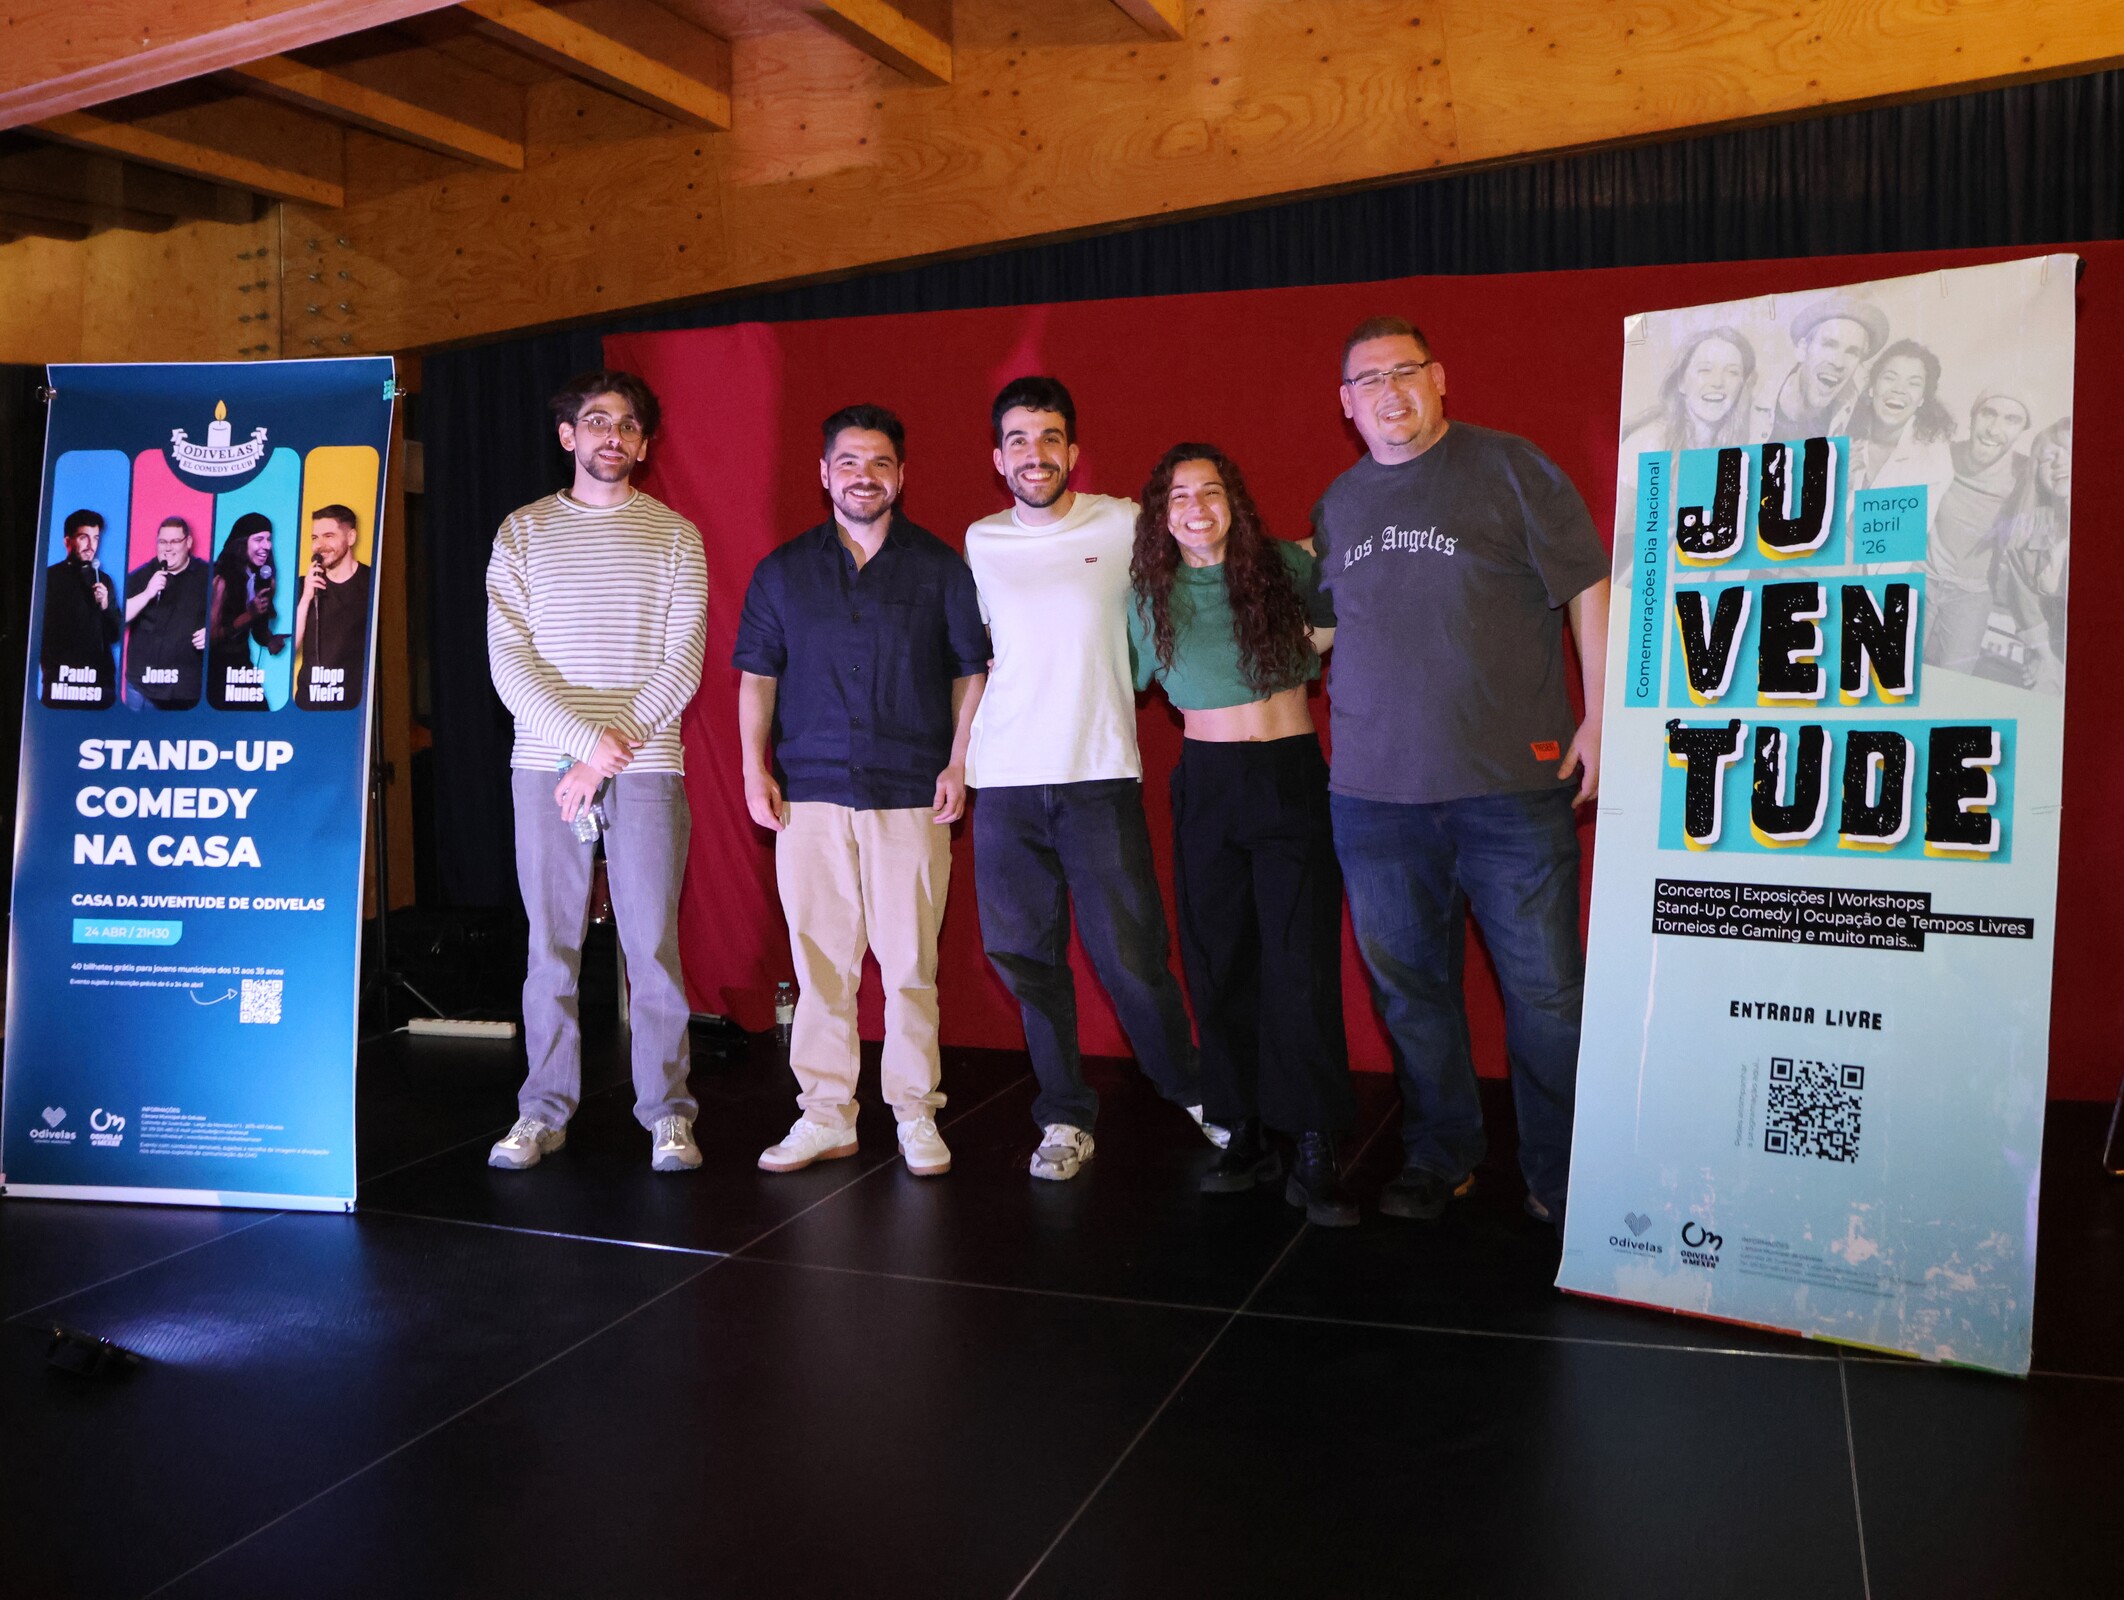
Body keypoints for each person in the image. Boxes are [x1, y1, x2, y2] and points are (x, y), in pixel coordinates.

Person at [1314, 316, 1610, 1233]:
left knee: (1548, 994)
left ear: (1439, 377)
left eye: (1404, 371)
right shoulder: (1338, 504)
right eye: (1369, 380)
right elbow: (1324, 631)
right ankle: (1442, 1156)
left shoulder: (1512, 467)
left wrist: (1605, 713)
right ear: (1346, 404)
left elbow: (1588, 585)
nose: (1389, 392)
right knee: (1411, 992)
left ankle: (1563, 1175)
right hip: (1373, 799)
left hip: (1509, 791)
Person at [964, 375, 1213, 1181]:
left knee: (1131, 956)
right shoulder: (979, 541)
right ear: (998, 458)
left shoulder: (1124, 521)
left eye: (1049, 439)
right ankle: (1065, 1115)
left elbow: (1200, 573)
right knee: (1025, 959)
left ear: (1072, 450)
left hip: (1097, 774)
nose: (1033, 455)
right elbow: (974, 659)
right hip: (1004, 783)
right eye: (1017, 441)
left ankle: (1193, 1091)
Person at [735, 405, 989, 1177]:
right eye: (848, 461)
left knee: (910, 966)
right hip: (808, 795)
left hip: (910, 792)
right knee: (821, 968)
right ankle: (825, 1115)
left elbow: (970, 671)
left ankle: (915, 1113)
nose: (863, 476)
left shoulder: (940, 568)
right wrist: (752, 767)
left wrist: (960, 762)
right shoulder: (782, 571)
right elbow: (757, 677)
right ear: (824, 473)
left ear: (901, 476)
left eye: (880, 462)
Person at [1128, 442, 1358, 1226]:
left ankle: (1314, 1141)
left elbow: (1334, 624)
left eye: (1211, 491)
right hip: (1208, 784)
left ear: (1234, 500)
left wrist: (1291, 649)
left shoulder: (1283, 566)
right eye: (1179, 496)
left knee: (1300, 962)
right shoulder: (1148, 594)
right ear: (1161, 516)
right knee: (1220, 960)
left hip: (1290, 775)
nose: (1197, 508)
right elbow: (1120, 674)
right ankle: (1248, 1130)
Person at [485, 370, 709, 1175]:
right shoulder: (521, 532)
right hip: (546, 768)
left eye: (628, 425)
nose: (613, 435)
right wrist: (584, 748)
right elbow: (509, 664)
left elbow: (683, 663)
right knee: (551, 948)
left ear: (643, 445)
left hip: (647, 764)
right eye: (597, 420)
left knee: (652, 948)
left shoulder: (676, 536)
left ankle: (668, 1114)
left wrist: (610, 750)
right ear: (568, 435)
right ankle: (542, 1110)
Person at [1923, 388, 2031, 673]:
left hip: (1972, 594)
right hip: (1919, 577)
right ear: (1972, 417)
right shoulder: (1941, 454)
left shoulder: (2026, 475)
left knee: (1953, 683)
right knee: (1890, 673)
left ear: (2022, 430)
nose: (1994, 429)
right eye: (1988, 413)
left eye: (2011, 420)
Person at [1989, 416, 2071, 695]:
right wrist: (2043, 656)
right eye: (2048, 458)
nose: (2059, 463)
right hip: (2049, 647)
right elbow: (2024, 600)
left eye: (2069, 451)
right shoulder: (2026, 531)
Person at [1748, 293, 1889, 442]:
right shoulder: (1751, 398)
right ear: (1803, 349)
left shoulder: (1860, 417)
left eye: (1852, 352)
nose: (1838, 363)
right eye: (1829, 345)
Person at [1618, 325, 1757, 458]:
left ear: (1742, 384)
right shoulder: (1651, 442)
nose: (1717, 382)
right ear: (1681, 382)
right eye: (1705, 370)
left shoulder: (1745, 438)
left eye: (1732, 372)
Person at [1846, 339, 1954, 505]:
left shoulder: (1933, 458)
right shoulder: (1840, 429)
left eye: (1913, 383)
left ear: (1922, 399)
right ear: (1872, 388)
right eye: (1890, 378)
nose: (1899, 389)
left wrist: (1838, 493)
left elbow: (1899, 522)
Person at [292, 503, 374, 710]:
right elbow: (290, 648)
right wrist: (306, 597)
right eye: (314, 538)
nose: (320, 545)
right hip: (309, 705)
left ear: (351, 537)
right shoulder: (303, 586)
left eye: (329, 536)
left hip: (353, 707)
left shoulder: (371, 583)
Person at [124, 516, 209, 709]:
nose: (167, 548)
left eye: (174, 541)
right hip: (143, 688)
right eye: (162, 542)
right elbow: (120, 618)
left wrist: (210, 631)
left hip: (187, 687)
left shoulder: (207, 575)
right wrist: (147, 593)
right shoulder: (141, 576)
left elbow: (227, 618)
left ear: (188, 542)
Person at [41, 508, 120, 708]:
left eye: (96, 538)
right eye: (84, 537)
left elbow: (115, 635)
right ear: (67, 541)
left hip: (100, 682)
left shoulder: (104, 580)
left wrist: (105, 606)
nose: (91, 546)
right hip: (62, 680)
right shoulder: (49, 578)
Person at [207, 511, 285, 710]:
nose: (267, 546)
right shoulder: (221, 580)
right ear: (241, 544)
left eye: (268, 539)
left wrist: (269, 640)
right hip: (214, 671)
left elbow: (258, 630)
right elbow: (211, 637)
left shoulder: (264, 580)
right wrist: (249, 615)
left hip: (242, 663)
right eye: (259, 539)